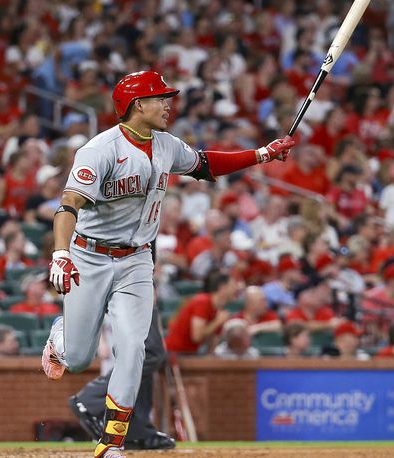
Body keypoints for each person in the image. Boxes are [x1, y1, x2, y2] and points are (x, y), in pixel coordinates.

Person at [41, 70, 294, 457]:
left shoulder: (165, 145)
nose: (167, 103)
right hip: (89, 256)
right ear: (136, 105)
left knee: (134, 348)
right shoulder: (99, 149)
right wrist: (60, 254)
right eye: (160, 98)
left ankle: (110, 444)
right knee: (77, 357)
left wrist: (262, 154)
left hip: (137, 260)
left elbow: (206, 164)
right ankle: (61, 336)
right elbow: (68, 205)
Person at [68, 307, 176, 452]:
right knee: (150, 353)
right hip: (131, 290)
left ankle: (136, 431)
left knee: (144, 354)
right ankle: (90, 399)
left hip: (137, 293)